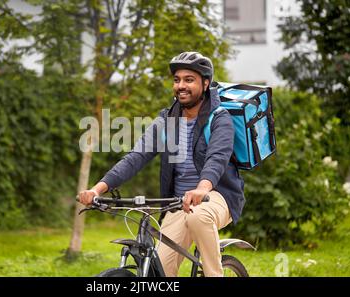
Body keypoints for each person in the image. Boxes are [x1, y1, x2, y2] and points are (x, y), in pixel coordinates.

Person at [78, 51, 245, 277]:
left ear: (205, 84)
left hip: (215, 196)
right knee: (160, 273)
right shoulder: (166, 121)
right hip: (176, 203)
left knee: (199, 216)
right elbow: (135, 158)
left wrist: (202, 188)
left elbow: (217, 158)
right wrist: (97, 189)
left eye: (189, 80)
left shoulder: (220, 118)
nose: (181, 86)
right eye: (177, 80)